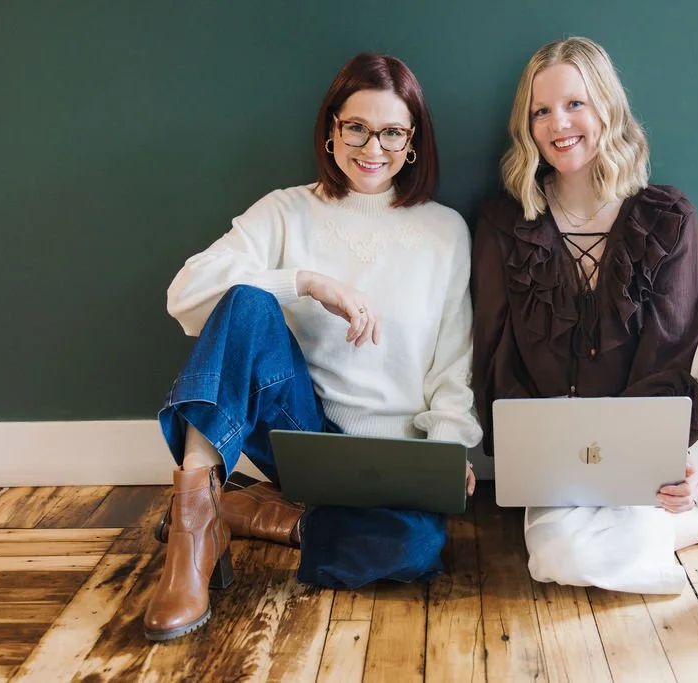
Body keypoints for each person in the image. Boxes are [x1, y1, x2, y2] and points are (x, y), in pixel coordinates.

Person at [471, 37, 698, 655]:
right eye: (540, 111)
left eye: (574, 103)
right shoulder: (502, 223)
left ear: (606, 108)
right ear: (526, 126)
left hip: (673, 445)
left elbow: (672, 354)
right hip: (564, 463)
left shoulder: (667, 215)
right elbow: (497, 357)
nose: (558, 124)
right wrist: (531, 456)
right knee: (561, 556)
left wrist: (668, 462)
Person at [144, 52, 482, 642]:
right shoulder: (285, 209)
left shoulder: (446, 230)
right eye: (356, 127)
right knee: (247, 300)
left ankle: (256, 512)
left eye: (392, 132)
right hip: (301, 432)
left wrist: (449, 451)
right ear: (331, 131)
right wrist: (303, 281)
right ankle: (193, 526)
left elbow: (454, 359)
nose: (372, 147)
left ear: (413, 144)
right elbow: (185, 296)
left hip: (393, 457)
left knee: (415, 546)